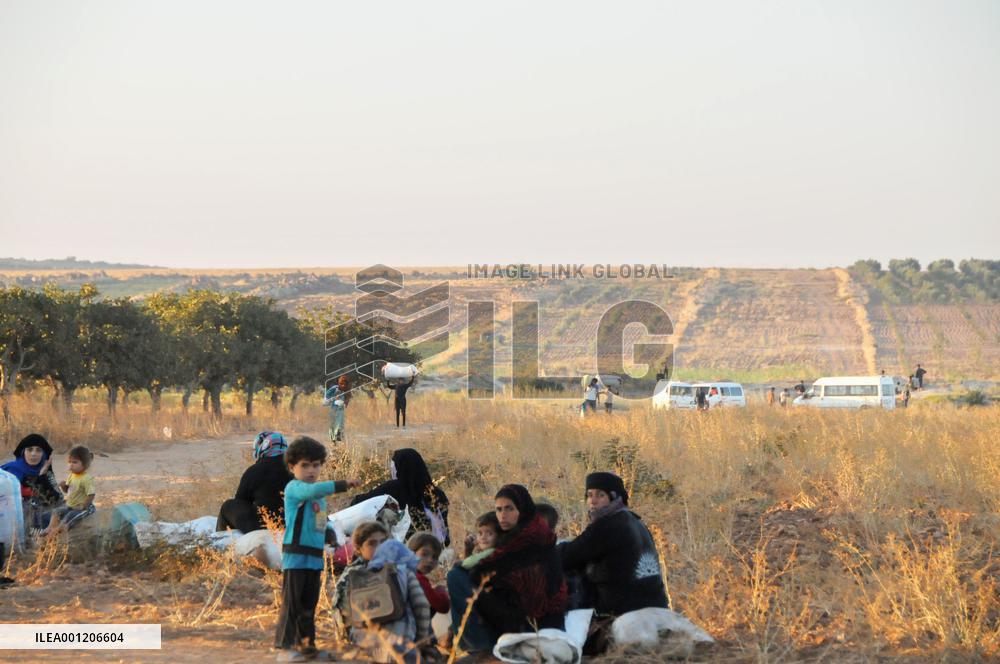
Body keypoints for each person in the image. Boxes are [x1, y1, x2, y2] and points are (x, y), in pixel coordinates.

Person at [446, 485, 567, 654]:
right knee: (463, 578)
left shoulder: (531, 538)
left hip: (534, 621)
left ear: (522, 509)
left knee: (456, 577)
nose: (503, 515)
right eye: (499, 509)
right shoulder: (523, 534)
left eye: (509, 508)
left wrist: (470, 566)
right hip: (524, 614)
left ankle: (479, 647)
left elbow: (484, 573)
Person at [558, 472, 670, 655]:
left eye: (600, 495)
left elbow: (567, 556)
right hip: (658, 607)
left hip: (623, 613)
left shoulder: (609, 525)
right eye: (590, 495)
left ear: (614, 497)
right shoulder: (635, 521)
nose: (593, 501)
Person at [275, 436, 361, 662]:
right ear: (292, 466)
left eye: (315, 465)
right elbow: (310, 492)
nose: (311, 470)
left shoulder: (319, 497)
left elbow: (320, 522)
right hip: (295, 556)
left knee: (308, 606)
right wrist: (342, 484)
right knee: (292, 604)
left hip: (314, 558)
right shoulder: (294, 488)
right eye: (305, 465)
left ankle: (307, 647)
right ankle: (285, 649)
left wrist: (330, 536)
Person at [333, 522, 432, 663]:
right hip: (401, 644)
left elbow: (340, 615)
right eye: (372, 543)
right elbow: (422, 606)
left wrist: (345, 644)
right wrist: (422, 640)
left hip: (364, 648)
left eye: (383, 542)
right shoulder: (401, 570)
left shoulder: (349, 576)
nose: (380, 547)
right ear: (358, 549)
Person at [350, 449, 450, 545]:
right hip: (435, 548)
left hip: (404, 547)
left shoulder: (395, 487)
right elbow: (444, 534)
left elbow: (358, 503)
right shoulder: (437, 493)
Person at [217, 432, 293, 533]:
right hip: (291, 526)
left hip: (262, 526)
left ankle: (220, 541)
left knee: (227, 506)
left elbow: (240, 500)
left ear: (263, 447)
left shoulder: (255, 470)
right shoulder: (296, 470)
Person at [2, 433, 64, 531]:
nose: (33, 454)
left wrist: (42, 476)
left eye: (38, 450)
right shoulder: (10, 470)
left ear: (44, 454)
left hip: (40, 518)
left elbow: (57, 500)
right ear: (23, 452)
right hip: (12, 519)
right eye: (29, 449)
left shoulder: (46, 472)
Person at [43, 446, 97, 535]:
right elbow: (68, 491)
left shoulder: (87, 479)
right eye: (69, 462)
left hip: (84, 507)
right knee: (56, 511)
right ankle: (49, 528)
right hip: (71, 505)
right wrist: (64, 486)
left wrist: (83, 506)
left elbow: (91, 494)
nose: (71, 465)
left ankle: (57, 531)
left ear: (85, 464)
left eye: (75, 462)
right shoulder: (72, 475)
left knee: (68, 517)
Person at [407, 532, 450, 616]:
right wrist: (440, 589)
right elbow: (443, 606)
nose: (430, 560)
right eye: (424, 554)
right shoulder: (417, 578)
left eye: (434, 557)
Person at [323, 376, 351, 443]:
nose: (343, 386)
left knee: (340, 422)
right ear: (339, 383)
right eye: (341, 384)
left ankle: (338, 434)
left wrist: (345, 402)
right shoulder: (335, 388)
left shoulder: (346, 390)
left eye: (345, 384)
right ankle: (333, 440)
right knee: (332, 424)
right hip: (333, 408)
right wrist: (334, 397)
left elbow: (347, 399)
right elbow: (327, 396)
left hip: (340, 409)